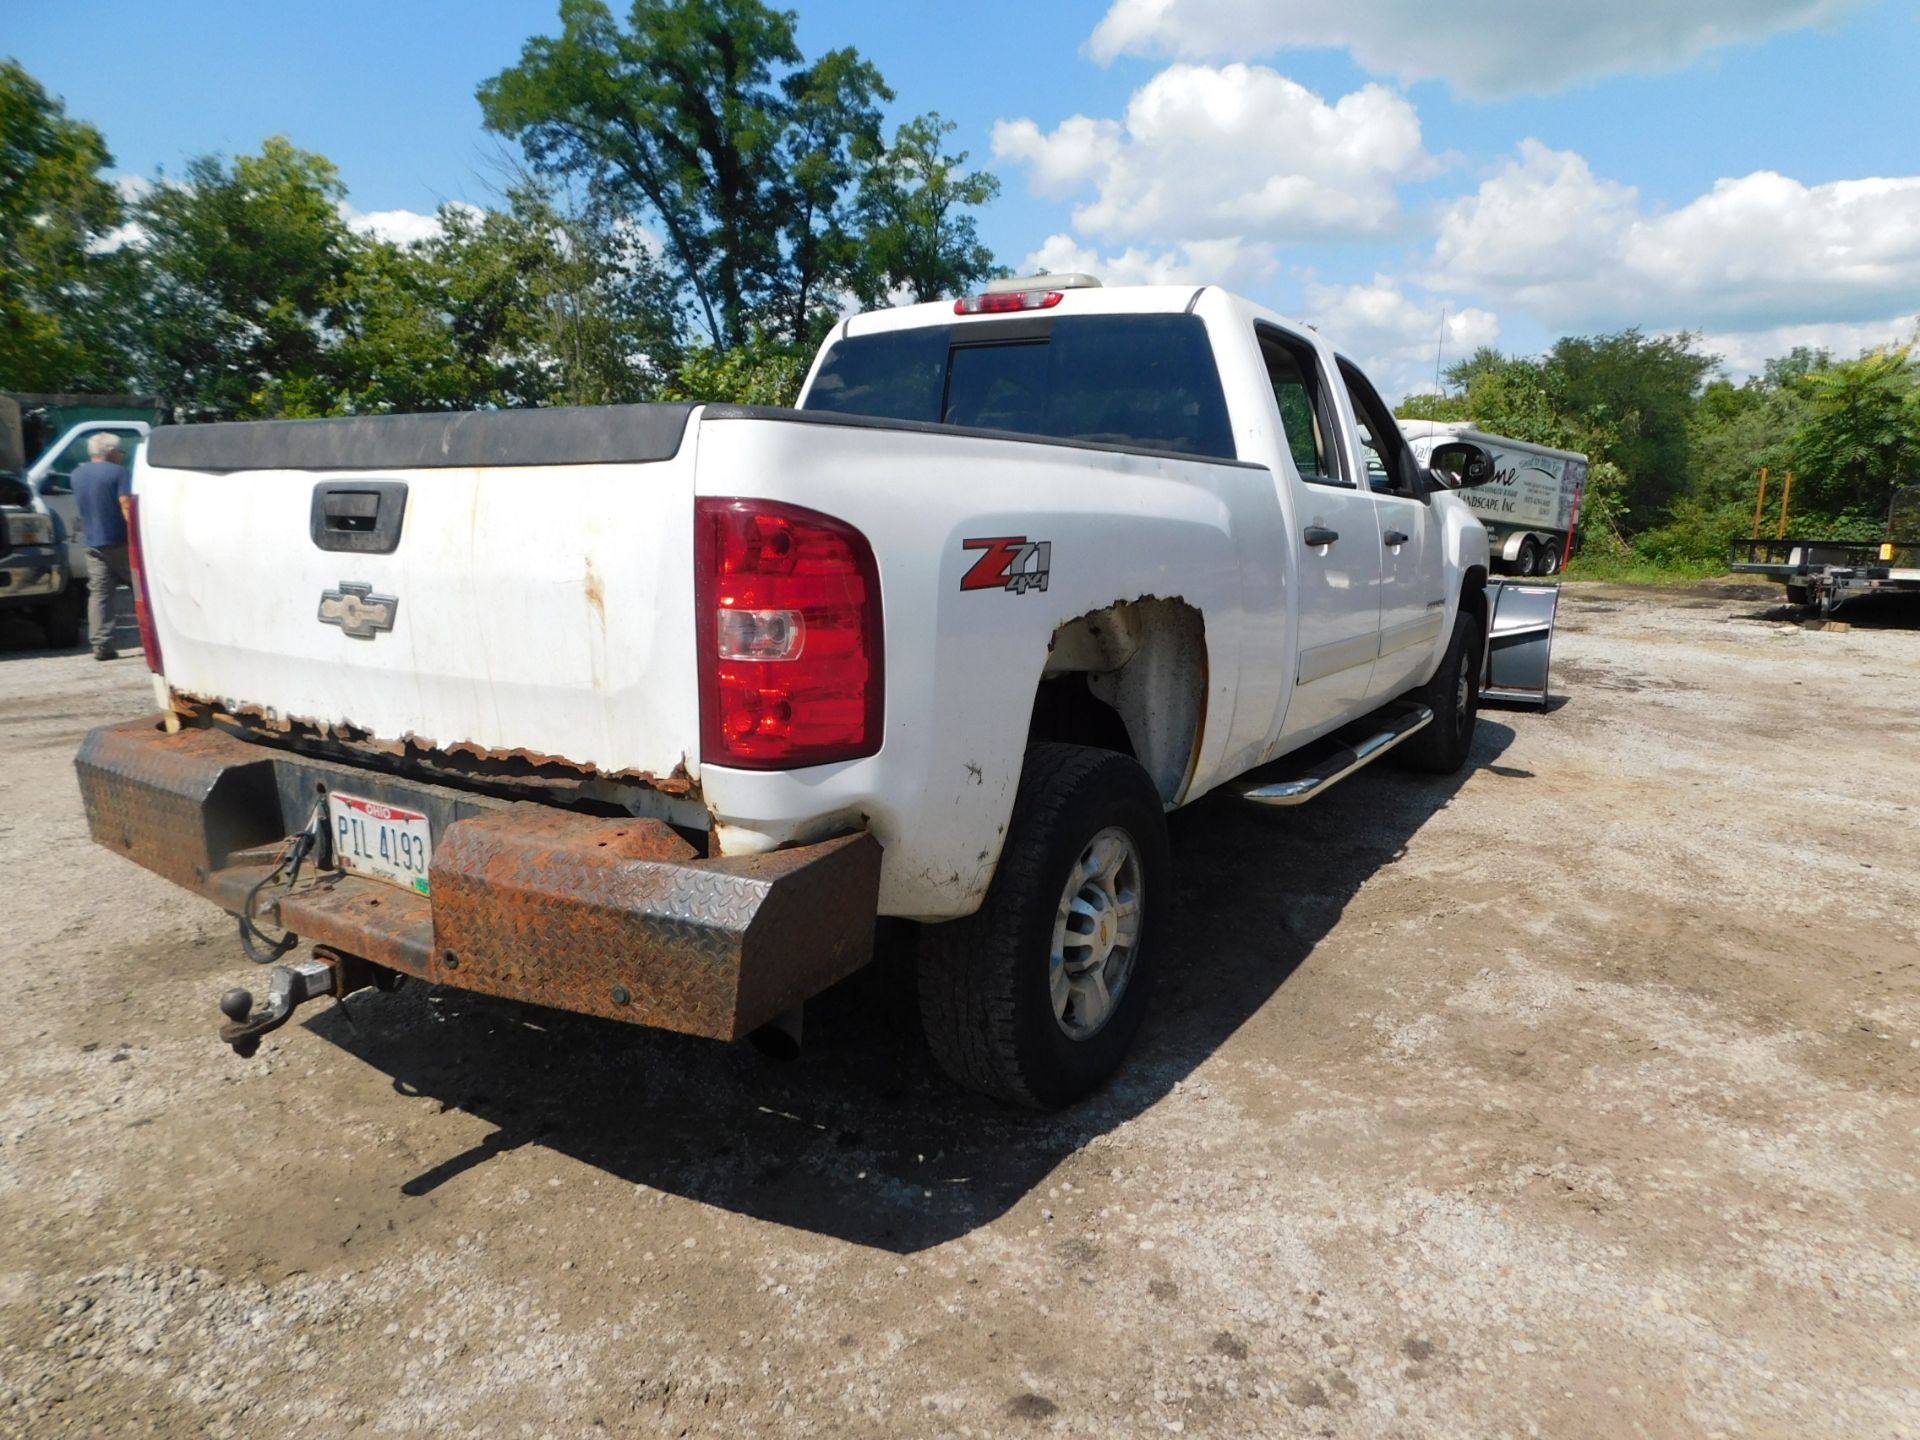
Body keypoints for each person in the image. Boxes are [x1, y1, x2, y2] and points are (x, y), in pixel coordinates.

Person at [70, 433, 134, 660]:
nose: (121, 456)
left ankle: (101, 645)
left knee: (100, 594)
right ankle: (155, 639)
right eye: (121, 452)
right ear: (112, 452)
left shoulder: (77, 474)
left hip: (92, 543)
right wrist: (136, 534)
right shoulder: (118, 472)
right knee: (141, 588)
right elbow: (125, 503)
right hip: (119, 541)